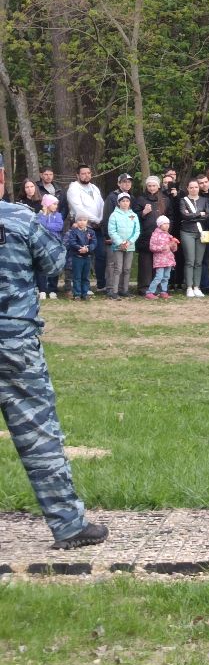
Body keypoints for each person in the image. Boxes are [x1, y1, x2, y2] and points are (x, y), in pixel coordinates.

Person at [0, 155, 108, 549]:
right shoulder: (20, 218)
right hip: (15, 343)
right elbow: (53, 261)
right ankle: (67, 524)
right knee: (38, 434)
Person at [106, 193, 139, 298]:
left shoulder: (133, 215)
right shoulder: (114, 215)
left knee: (127, 269)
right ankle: (114, 291)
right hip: (118, 246)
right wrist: (120, 242)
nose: (125, 203)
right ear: (119, 202)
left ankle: (124, 290)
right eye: (123, 201)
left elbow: (137, 231)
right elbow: (112, 231)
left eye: (127, 201)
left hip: (130, 246)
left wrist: (129, 242)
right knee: (118, 268)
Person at [63, 216, 97, 300]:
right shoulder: (73, 232)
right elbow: (72, 242)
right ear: (76, 222)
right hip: (77, 257)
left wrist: (87, 249)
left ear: (87, 222)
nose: (82, 222)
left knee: (85, 277)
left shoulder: (91, 232)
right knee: (77, 277)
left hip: (87, 257)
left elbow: (94, 243)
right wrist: (80, 248)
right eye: (80, 220)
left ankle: (84, 293)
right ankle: (77, 294)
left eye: (84, 220)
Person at [145, 215, 178, 299]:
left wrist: (174, 245)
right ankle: (150, 292)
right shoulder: (155, 235)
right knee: (159, 276)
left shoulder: (169, 235)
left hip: (168, 259)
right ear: (159, 225)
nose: (167, 225)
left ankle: (163, 291)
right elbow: (152, 247)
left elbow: (173, 249)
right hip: (159, 260)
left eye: (168, 223)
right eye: (164, 224)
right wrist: (162, 248)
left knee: (166, 276)